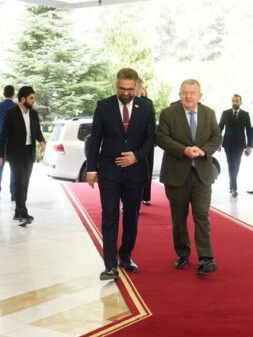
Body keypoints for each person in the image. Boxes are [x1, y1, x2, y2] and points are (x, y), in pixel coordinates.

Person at [86, 68, 157, 281]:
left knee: (131, 217)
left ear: (136, 87)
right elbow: (95, 139)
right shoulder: (103, 106)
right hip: (109, 171)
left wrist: (136, 156)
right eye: (121, 88)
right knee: (109, 216)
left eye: (129, 89)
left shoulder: (146, 106)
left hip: (135, 172)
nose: (125, 93)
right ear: (116, 85)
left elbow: (150, 138)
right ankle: (110, 265)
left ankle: (126, 255)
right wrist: (91, 169)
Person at [156, 79, 222, 276]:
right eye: (185, 92)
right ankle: (183, 254)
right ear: (179, 94)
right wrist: (183, 150)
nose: (188, 96)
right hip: (176, 175)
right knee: (179, 218)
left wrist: (203, 151)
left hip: (202, 174)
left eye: (192, 93)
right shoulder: (168, 114)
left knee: (202, 216)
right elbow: (161, 138)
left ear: (200, 95)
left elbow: (217, 138)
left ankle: (206, 258)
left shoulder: (209, 113)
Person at [0, 86, 45, 226]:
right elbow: (2, 136)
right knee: (19, 182)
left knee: (25, 183)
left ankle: (18, 212)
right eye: (31, 98)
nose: (33, 100)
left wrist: (42, 141)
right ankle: (23, 213)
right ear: (23, 99)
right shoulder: (10, 113)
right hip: (15, 153)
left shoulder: (34, 114)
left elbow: (37, 132)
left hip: (29, 153)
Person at [218, 94, 252, 197]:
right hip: (228, 144)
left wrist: (249, 146)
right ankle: (234, 188)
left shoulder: (245, 114)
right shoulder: (225, 113)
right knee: (231, 165)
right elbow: (219, 129)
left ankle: (231, 184)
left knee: (236, 165)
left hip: (240, 145)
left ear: (241, 102)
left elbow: (249, 131)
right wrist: (217, 144)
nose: (234, 103)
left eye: (237, 101)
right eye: (233, 101)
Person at [0, 85, 16, 201]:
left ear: (3, 94)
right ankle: (13, 194)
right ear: (13, 94)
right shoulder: (17, 107)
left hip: (0, 139)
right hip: (13, 141)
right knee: (14, 168)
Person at [137, 78, 155, 207]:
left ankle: (146, 196)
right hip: (132, 145)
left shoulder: (148, 104)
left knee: (146, 172)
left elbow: (151, 126)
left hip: (146, 144)